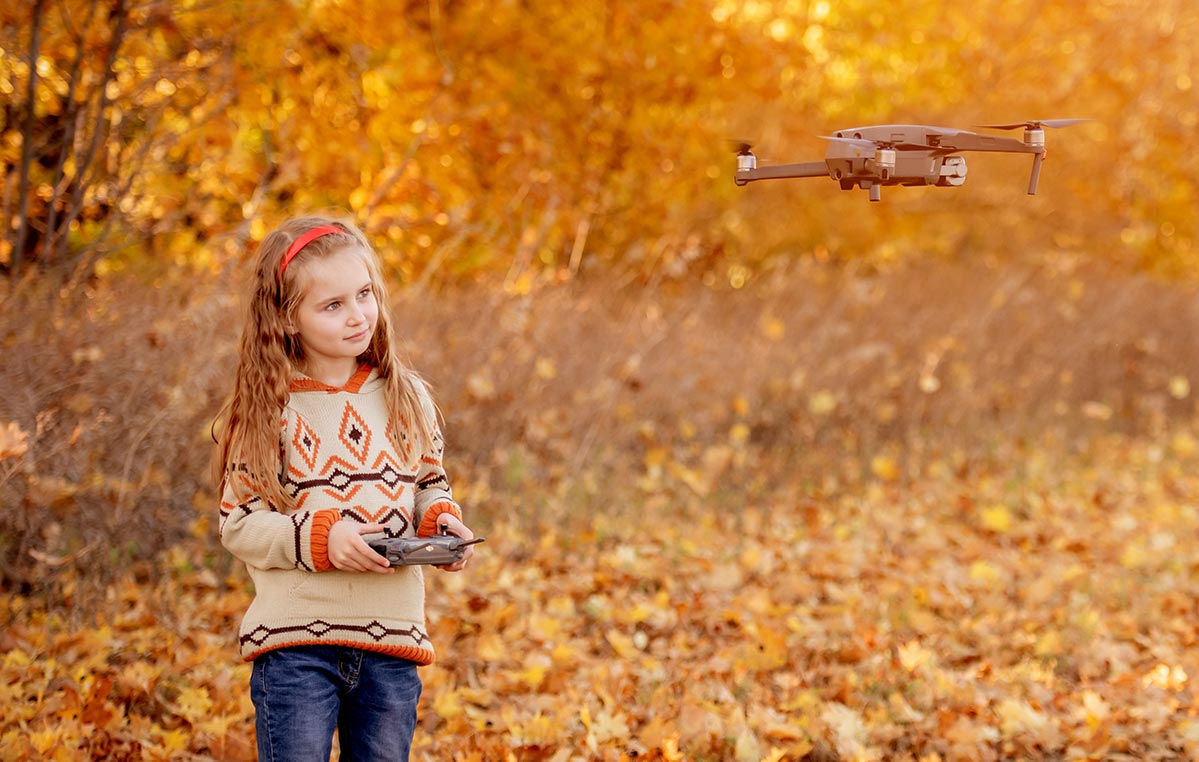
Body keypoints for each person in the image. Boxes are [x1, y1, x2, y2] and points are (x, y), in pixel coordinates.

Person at [213, 215, 475, 761]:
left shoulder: (406, 396)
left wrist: (439, 521)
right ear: (287, 320)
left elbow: (428, 481)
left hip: (391, 636)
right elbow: (239, 523)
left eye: (364, 295)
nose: (357, 315)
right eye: (332, 306)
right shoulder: (267, 412)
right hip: (296, 642)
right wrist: (321, 539)